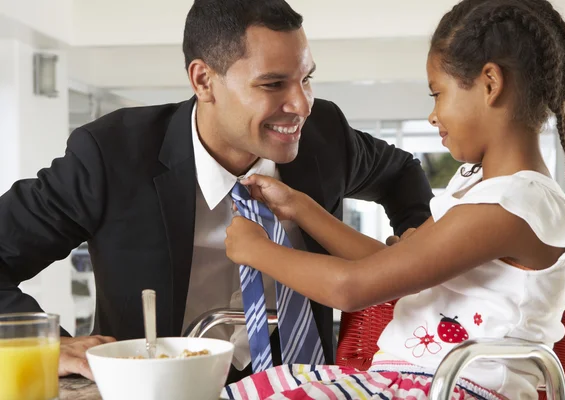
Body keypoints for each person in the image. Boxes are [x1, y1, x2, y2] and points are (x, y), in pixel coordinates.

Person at [0, 0, 433, 383]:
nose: (301, 104)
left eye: (306, 79)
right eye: (273, 84)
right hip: (163, 386)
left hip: (304, 383)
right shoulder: (111, 155)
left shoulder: (325, 136)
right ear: (204, 80)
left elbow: (400, 173)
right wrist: (47, 345)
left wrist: (415, 249)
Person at [222, 0, 565, 398]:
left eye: (437, 93)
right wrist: (302, 209)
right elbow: (386, 268)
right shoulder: (487, 194)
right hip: (418, 382)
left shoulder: (511, 205)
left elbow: (352, 288)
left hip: (452, 388)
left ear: (490, 84)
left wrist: (255, 250)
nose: (433, 115)